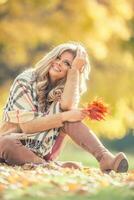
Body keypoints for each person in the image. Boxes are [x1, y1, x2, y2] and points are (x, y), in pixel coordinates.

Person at [0, 42, 128, 173]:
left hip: (44, 151)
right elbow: (27, 126)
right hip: (14, 146)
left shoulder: (65, 89)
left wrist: (75, 71)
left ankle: (105, 158)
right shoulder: (25, 80)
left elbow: (67, 106)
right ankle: (51, 167)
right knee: (5, 143)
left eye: (67, 63)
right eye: (57, 58)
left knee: (69, 117)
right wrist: (65, 116)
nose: (59, 63)